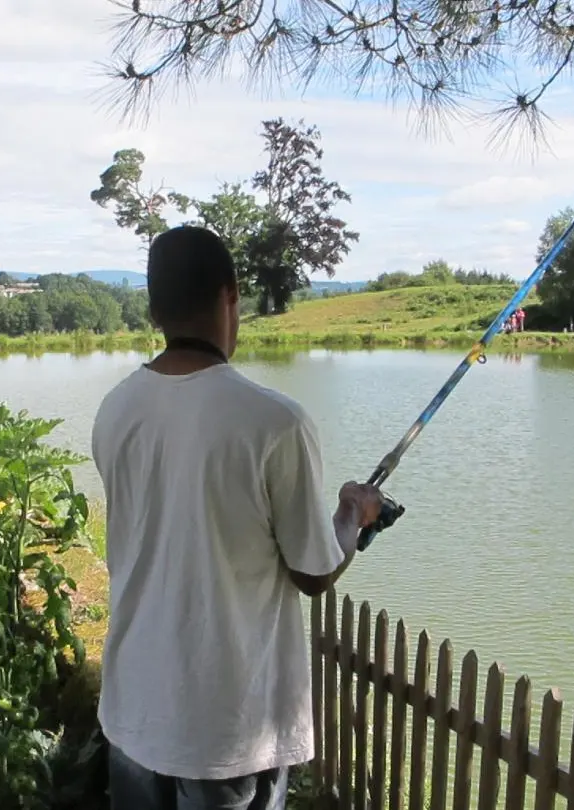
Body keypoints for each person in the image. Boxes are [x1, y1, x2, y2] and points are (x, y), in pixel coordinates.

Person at [90, 225, 383, 810]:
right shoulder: (275, 423)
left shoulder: (115, 409)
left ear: (154, 310)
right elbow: (313, 573)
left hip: (132, 713)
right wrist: (354, 512)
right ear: (232, 297)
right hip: (225, 731)